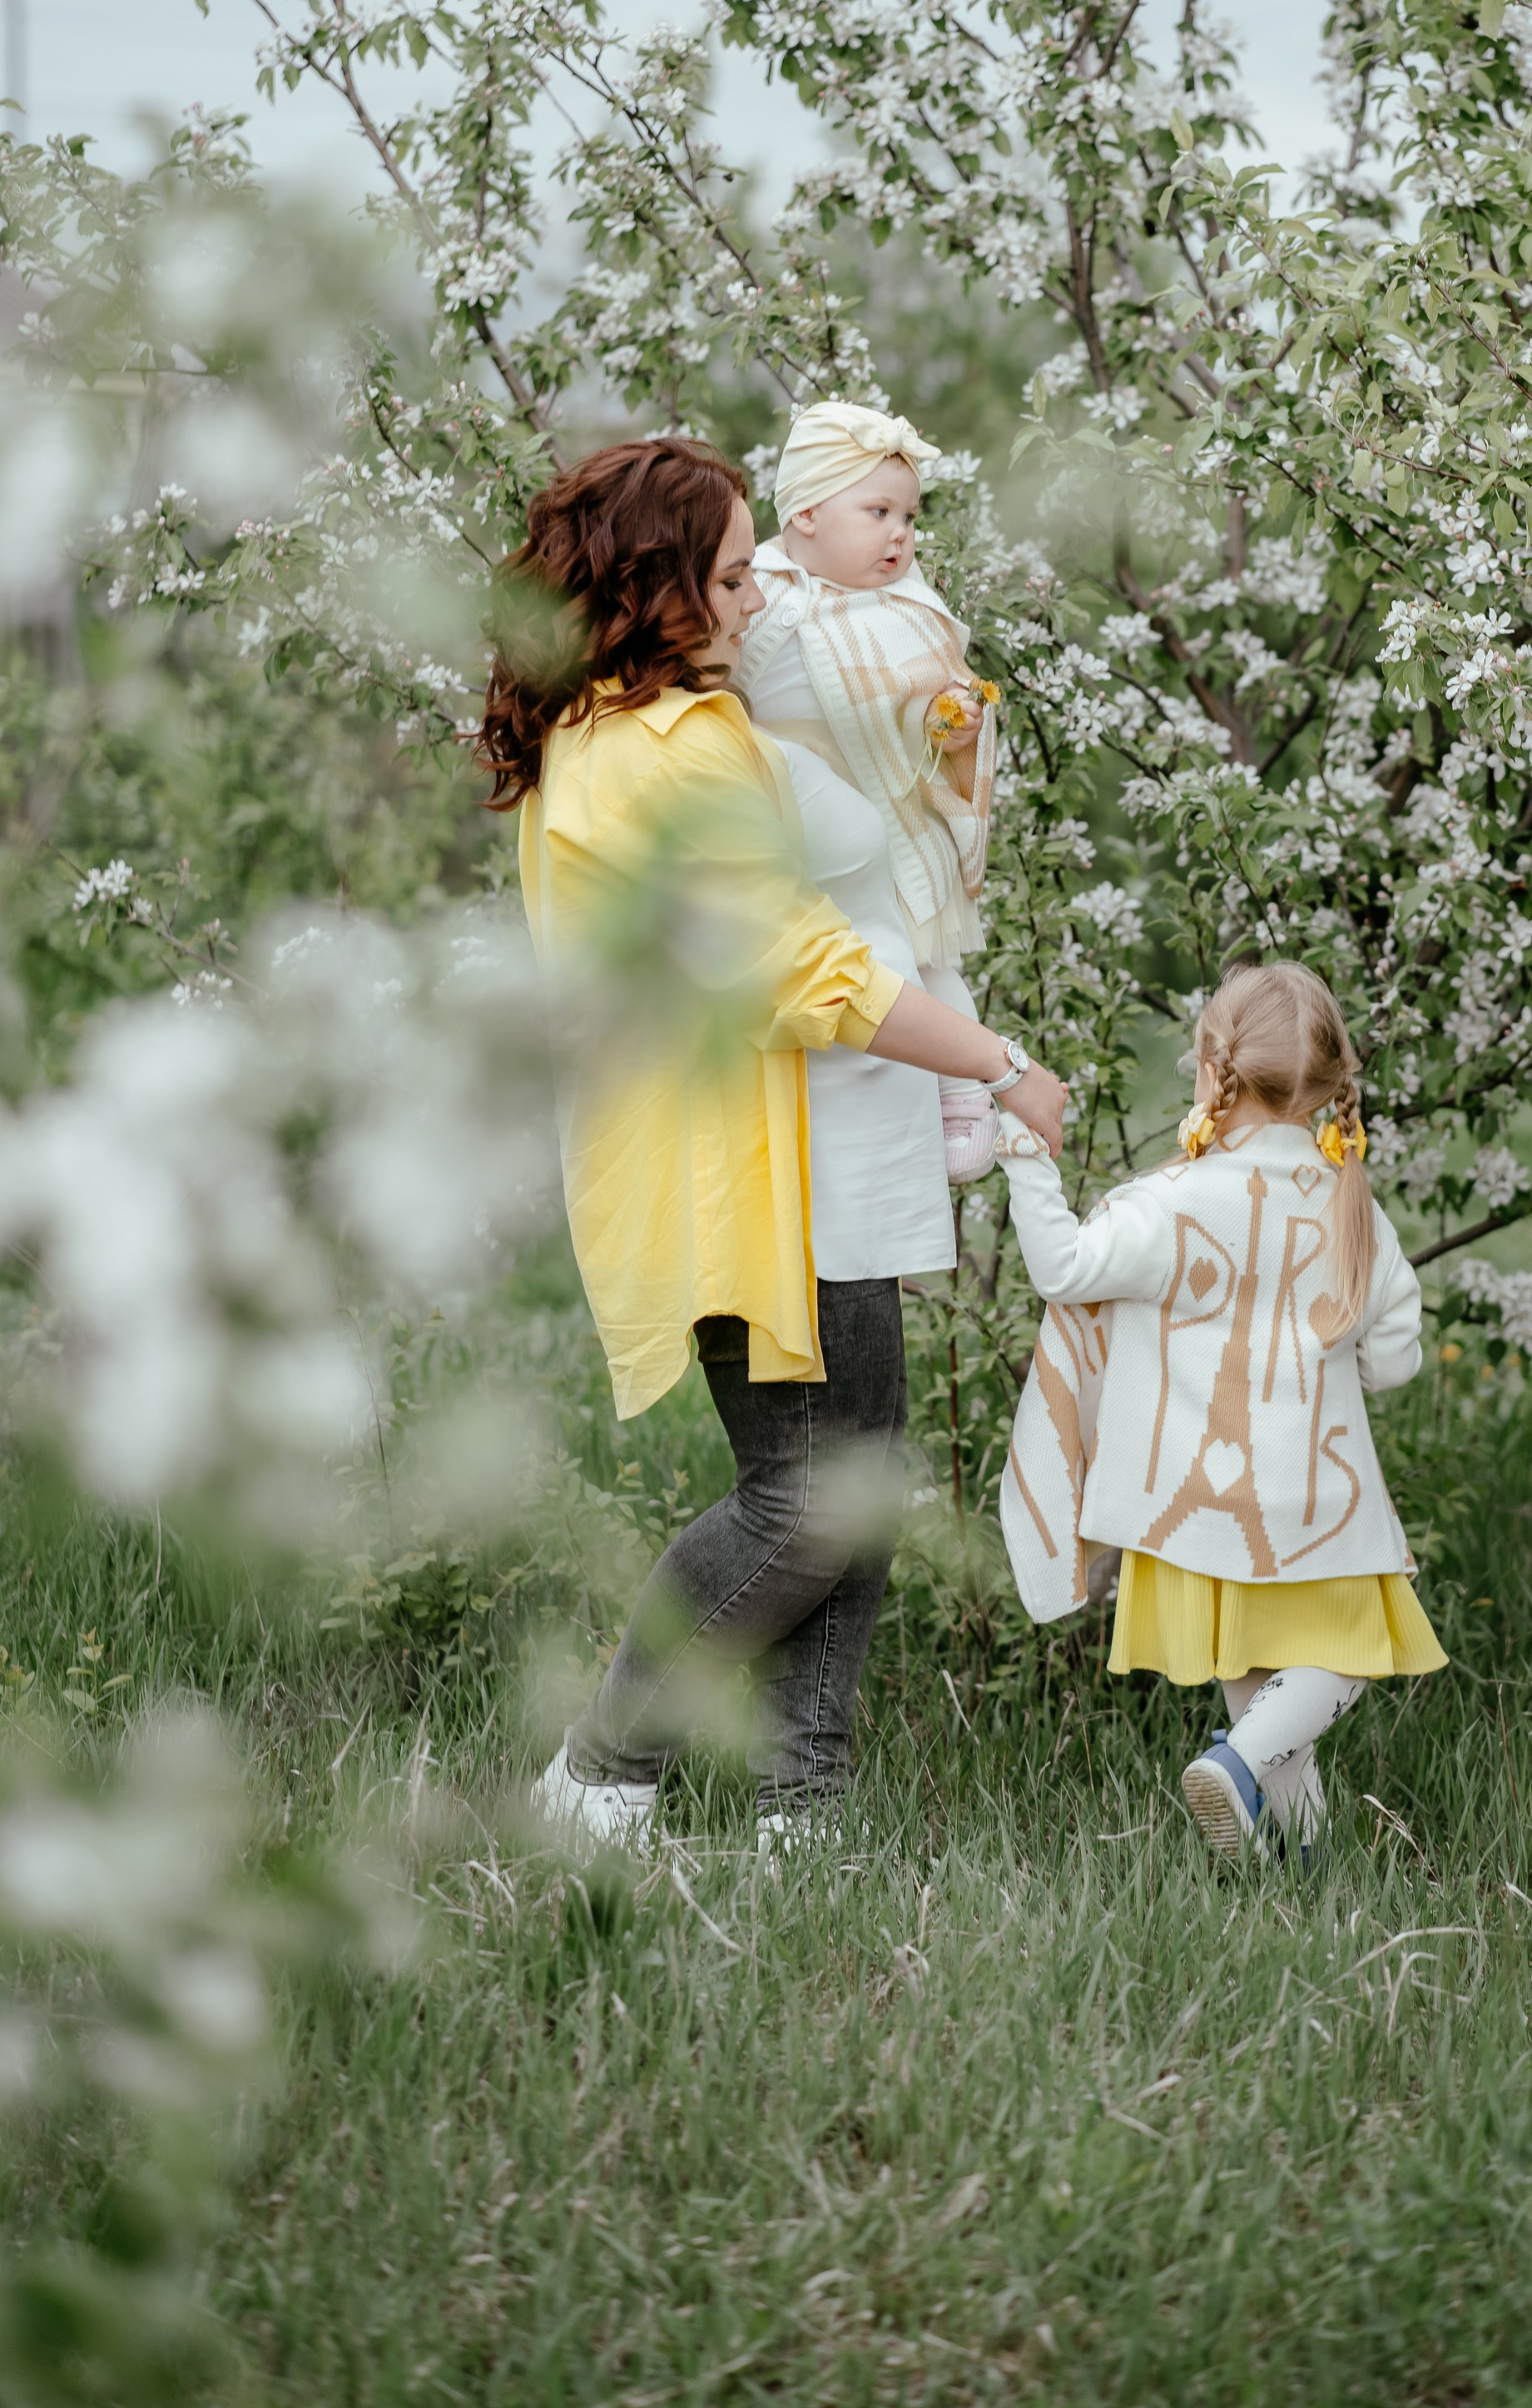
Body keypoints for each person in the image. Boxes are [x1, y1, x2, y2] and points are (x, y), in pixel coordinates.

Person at [476, 437, 1068, 1852]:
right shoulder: (668, 751)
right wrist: (1002, 1064)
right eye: (737, 574)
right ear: (659, 585)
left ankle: (800, 1815)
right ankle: (599, 1778)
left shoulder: (628, 725)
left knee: (849, 1476)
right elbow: (808, 976)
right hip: (740, 1168)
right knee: (808, 1496)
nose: (757, 598)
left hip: (785, 1150)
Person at [993, 961, 1446, 1860]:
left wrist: (1025, 1160)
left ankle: (1297, 1863)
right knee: (1350, 1660)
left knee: (1269, 1707)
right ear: (1326, 1086)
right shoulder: (1353, 1209)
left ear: (1211, 1068)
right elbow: (1395, 1362)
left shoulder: (1168, 1203)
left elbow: (1066, 1271)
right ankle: (1237, 1768)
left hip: (1194, 1510)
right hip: (1318, 1507)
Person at [734, 399, 1001, 1184]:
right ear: (806, 513)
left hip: (886, 814)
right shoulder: (761, 597)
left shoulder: (909, 607)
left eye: (909, 516)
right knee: (825, 969)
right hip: (787, 827)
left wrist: (950, 725)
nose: (900, 534)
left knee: (923, 962)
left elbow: (933, 690)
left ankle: (965, 1098)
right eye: (879, 511)